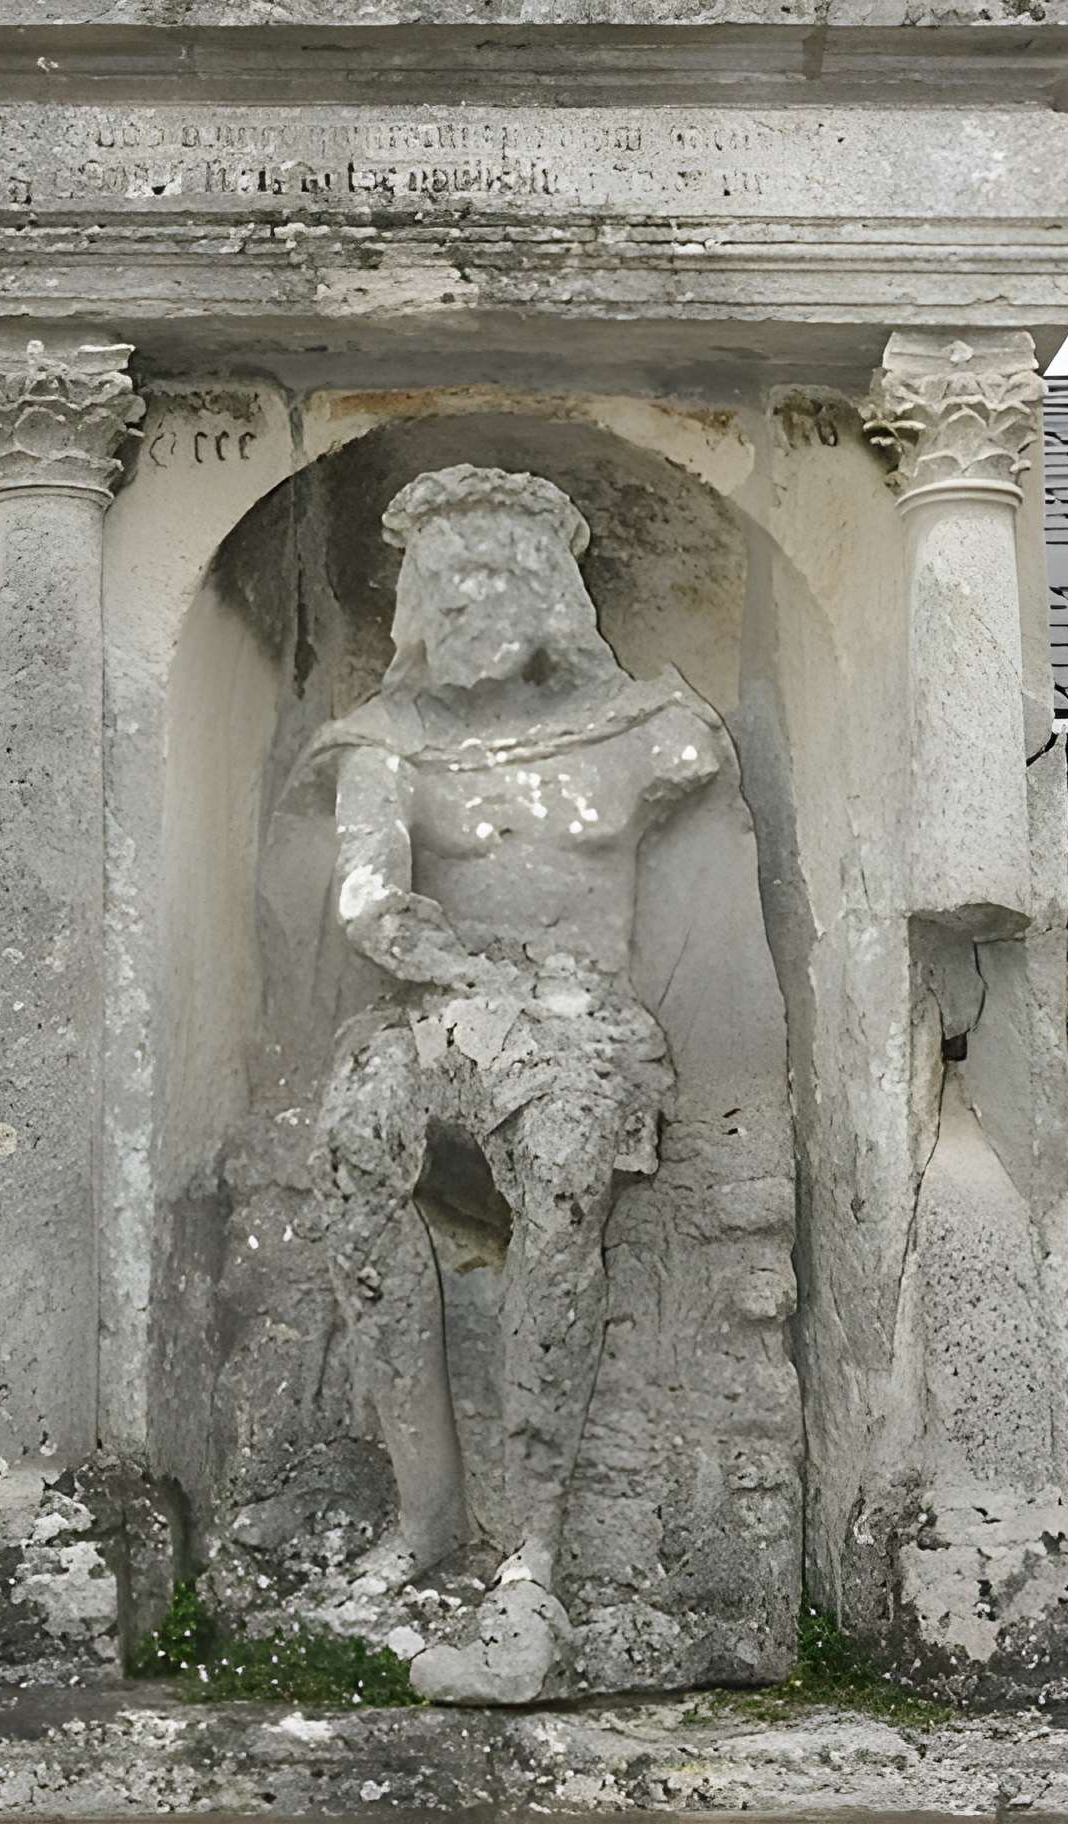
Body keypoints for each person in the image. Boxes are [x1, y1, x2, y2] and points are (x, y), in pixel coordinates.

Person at [307, 464, 723, 1701]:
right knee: (350, 1140)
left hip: (584, 1023)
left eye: (498, 573)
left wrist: (536, 998)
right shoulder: (385, 746)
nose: (471, 599)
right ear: (414, 602)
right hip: (439, 1009)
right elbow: (371, 903)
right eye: (445, 579)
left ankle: (531, 1546)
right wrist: (466, 973)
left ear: (554, 592)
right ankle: (426, 1513)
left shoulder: (660, 729)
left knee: (560, 1161)